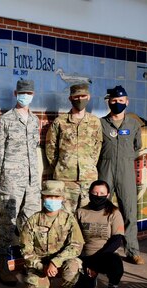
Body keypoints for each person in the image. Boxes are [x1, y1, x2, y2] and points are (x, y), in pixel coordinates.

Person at [0, 79, 41, 287]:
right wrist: (3, 174)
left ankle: (31, 264)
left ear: (33, 95)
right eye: (22, 92)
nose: (25, 96)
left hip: (32, 181)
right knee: (7, 223)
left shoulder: (35, 120)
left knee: (32, 222)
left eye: (29, 93)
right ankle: (3, 265)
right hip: (11, 180)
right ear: (15, 93)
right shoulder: (5, 120)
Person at [20, 180, 84, 288]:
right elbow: (26, 251)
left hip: (61, 262)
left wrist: (56, 262)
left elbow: (76, 245)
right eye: (49, 196)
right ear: (43, 197)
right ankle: (44, 286)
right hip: (39, 264)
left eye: (56, 197)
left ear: (62, 198)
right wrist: (42, 267)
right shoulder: (33, 220)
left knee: (74, 265)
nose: (52, 200)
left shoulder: (69, 219)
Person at [98, 85, 144, 265]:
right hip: (105, 168)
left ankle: (132, 250)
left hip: (126, 170)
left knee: (129, 211)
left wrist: (125, 158)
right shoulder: (101, 123)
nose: (117, 103)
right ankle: (101, 249)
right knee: (102, 210)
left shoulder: (133, 124)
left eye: (121, 100)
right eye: (114, 100)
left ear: (127, 101)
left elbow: (137, 146)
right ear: (109, 102)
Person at [45, 83, 102, 212]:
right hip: (65, 179)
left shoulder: (95, 122)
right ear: (70, 98)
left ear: (88, 97)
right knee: (65, 216)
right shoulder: (60, 122)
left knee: (87, 216)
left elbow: (97, 147)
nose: (79, 100)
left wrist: (89, 165)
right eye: (76, 97)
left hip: (88, 179)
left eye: (83, 96)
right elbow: (50, 147)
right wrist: (62, 166)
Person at [74, 180, 125, 288]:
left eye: (102, 193)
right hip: (85, 256)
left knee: (116, 263)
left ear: (108, 195)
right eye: (95, 193)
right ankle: (91, 280)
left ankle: (113, 287)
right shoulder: (81, 212)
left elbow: (117, 239)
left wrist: (94, 263)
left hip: (105, 255)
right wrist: (84, 259)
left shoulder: (114, 213)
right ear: (90, 193)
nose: (98, 196)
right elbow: (75, 238)